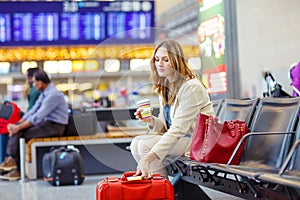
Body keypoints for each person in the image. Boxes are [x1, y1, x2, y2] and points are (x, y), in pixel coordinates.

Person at [130, 39, 214, 179]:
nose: (160, 64)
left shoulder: (191, 87)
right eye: (157, 59)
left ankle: (163, 191)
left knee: (144, 146)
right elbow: (165, 126)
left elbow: (178, 129)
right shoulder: (166, 88)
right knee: (136, 143)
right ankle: (160, 188)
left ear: (176, 61)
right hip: (181, 138)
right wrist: (150, 120)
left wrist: (148, 159)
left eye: (165, 59)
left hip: (195, 141)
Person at [0, 68, 69, 180]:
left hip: (56, 127)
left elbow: (39, 116)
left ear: (41, 82)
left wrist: (18, 127)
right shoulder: (44, 93)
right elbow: (32, 112)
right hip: (47, 124)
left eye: (34, 82)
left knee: (21, 133)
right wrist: (17, 124)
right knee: (19, 131)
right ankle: (13, 163)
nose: (33, 84)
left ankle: (14, 163)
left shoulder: (53, 95)